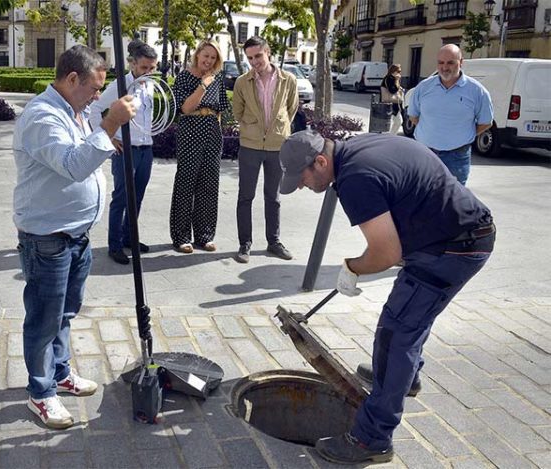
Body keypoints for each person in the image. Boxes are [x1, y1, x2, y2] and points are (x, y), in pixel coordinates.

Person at [278, 130, 495, 464]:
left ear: (321, 161)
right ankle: (405, 378)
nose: (303, 186)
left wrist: (352, 267)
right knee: (412, 317)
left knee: (395, 335)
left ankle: (372, 439)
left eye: (303, 179)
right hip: (458, 235)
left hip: (454, 247)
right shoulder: (357, 147)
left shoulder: (355, 178)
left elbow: (386, 252)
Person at [12, 45, 136, 429]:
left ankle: (60, 372)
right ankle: (41, 392)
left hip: (77, 235)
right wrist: (110, 125)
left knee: (65, 312)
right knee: (44, 319)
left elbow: (84, 153)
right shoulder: (42, 116)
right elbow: (71, 166)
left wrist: (102, 138)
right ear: (71, 80)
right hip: (48, 237)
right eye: (96, 87)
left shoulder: (75, 111)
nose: (100, 95)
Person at [90, 43, 158, 265]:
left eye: (152, 68)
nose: (148, 72)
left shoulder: (149, 85)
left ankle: (130, 237)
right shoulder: (121, 85)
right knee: (121, 197)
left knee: (137, 196)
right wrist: (108, 136)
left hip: (145, 148)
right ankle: (115, 245)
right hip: (124, 149)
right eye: (144, 67)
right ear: (133, 64)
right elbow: (95, 109)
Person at [232, 36, 299, 264]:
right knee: (245, 196)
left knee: (274, 197)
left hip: (277, 146)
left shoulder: (288, 80)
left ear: (267, 52)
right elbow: (238, 112)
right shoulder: (242, 82)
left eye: (258, 56)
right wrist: (253, 128)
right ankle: (245, 244)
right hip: (250, 146)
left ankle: (274, 242)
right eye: (250, 58)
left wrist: (278, 129)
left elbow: (291, 109)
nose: (254, 62)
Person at [169, 40, 231, 253]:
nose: (209, 61)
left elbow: (221, 109)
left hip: (212, 132)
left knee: (209, 184)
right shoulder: (185, 76)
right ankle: (181, 237)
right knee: (186, 183)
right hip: (190, 131)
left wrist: (218, 132)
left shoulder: (218, 79)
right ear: (197, 55)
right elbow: (185, 108)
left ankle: (204, 235)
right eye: (206, 56)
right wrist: (203, 84)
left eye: (213, 58)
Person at [408, 44, 493, 185]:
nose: (445, 67)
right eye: (440, 62)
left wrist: (463, 134)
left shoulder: (478, 91)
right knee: (421, 199)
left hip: (457, 157)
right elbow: (413, 116)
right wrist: (433, 131)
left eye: (450, 63)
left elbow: (486, 122)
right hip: (425, 154)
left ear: (461, 62)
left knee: (453, 202)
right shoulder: (423, 88)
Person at [380, 64, 404, 135]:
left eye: (400, 71)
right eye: (398, 71)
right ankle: (389, 137)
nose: (399, 73)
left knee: (398, 122)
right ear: (393, 71)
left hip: (394, 104)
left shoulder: (392, 78)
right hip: (390, 104)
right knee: (392, 122)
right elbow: (392, 90)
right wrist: (397, 80)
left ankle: (391, 136)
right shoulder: (389, 78)